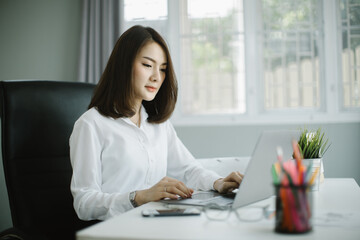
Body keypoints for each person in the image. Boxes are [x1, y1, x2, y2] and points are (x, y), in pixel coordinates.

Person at [70, 25, 243, 221]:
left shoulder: (158, 124)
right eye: (147, 65)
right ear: (124, 65)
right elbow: (84, 203)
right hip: (118, 229)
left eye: (162, 69)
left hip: (156, 222)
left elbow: (188, 169)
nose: (156, 77)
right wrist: (138, 197)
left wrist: (218, 183)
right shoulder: (91, 124)